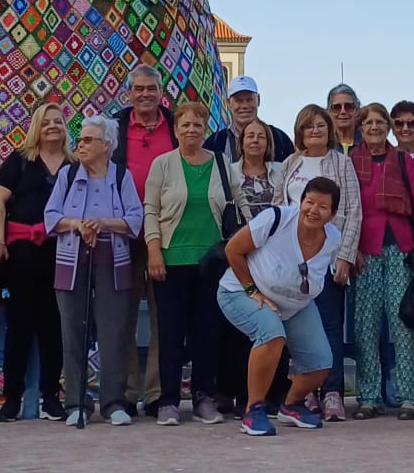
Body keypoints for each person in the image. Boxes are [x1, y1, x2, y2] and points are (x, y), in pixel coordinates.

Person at [218, 177, 347, 436]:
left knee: (321, 363)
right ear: (300, 203)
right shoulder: (275, 218)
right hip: (242, 292)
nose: (313, 210)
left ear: (332, 215)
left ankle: (291, 404)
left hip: (296, 304)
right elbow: (233, 249)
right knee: (271, 334)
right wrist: (251, 290)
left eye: (322, 207)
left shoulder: (333, 238)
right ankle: (253, 410)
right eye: (309, 202)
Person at [46, 115, 145, 426]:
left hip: (112, 261)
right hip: (73, 259)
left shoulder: (120, 176)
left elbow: (135, 219)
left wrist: (103, 224)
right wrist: (77, 225)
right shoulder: (68, 174)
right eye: (80, 140)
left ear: (107, 146)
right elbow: (51, 217)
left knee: (113, 332)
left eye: (88, 140)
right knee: (71, 330)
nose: (81, 145)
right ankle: (76, 402)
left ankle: (114, 402)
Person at [144, 101, 232, 425]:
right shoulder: (163, 164)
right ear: (176, 129)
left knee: (206, 333)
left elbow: (240, 209)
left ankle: (203, 397)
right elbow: (150, 209)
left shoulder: (222, 164)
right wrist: (154, 251)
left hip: (211, 261)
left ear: (205, 128)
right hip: (171, 260)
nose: (191, 130)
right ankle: (168, 400)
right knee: (170, 333)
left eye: (197, 124)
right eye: (185, 125)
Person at [0, 102, 71, 422]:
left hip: (61, 252)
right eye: (46, 122)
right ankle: (12, 397)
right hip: (22, 253)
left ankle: (51, 395)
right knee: (19, 326)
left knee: (55, 327)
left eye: (59, 121)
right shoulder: (20, 160)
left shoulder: (74, 165)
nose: (53, 126)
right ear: (37, 126)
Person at [277, 104, 362, 420]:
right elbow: (279, 207)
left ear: (329, 132)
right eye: (308, 126)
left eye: (320, 126)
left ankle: (332, 393)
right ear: (300, 131)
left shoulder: (341, 164)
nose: (315, 131)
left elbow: (354, 211)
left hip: (326, 260)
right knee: (298, 328)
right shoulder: (290, 164)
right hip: (293, 260)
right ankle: (306, 393)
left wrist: (345, 256)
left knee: (328, 327)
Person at [346, 103, 414, 419]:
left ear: (388, 127)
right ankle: (369, 396)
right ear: (361, 127)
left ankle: (409, 396)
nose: (375, 127)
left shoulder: (401, 159)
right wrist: (349, 248)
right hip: (364, 249)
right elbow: (346, 206)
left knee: (402, 322)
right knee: (365, 325)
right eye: (368, 122)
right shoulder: (352, 161)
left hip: (399, 248)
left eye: (381, 122)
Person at [110, 64, 176, 414]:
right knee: (122, 316)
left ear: (160, 91)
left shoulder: (176, 127)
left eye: (151, 88)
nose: (146, 94)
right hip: (123, 235)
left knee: (163, 317)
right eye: (139, 89)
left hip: (167, 237)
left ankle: (155, 393)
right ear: (129, 93)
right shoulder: (115, 128)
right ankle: (125, 391)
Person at [220, 118, 287, 413]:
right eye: (250, 136)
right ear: (241, 142)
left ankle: (274, 393)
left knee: (277, 319)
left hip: (275, 257)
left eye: (261, 136)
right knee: (241, 329)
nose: (255, 140)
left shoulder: (281, 172)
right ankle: (241, 394)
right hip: (241, 255)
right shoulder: (227, 172)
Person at [207, 76, 294, 163]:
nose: (244, 106)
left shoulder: (280, 140)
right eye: (238, 101)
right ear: (229, 103)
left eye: (249, 100)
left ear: (258, 100)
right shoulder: (214, 143)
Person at [327, 84, 361, 150]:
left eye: (348, 106)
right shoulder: (323, 145)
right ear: (329, 112)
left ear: (357, 111)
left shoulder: (368, 143)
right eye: (336, 107)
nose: (343, 111)